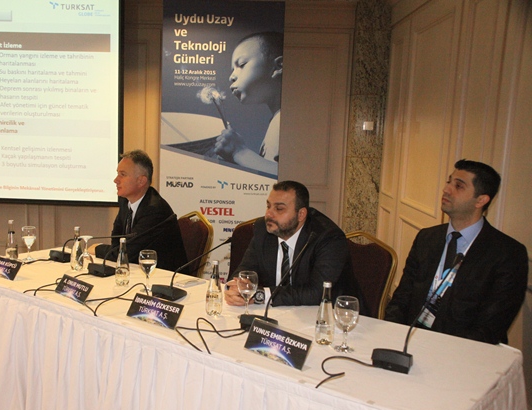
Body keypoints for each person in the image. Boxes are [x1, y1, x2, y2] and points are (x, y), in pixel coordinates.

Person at [384, 159, 528, 344]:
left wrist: (440, 350)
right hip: (411, 339)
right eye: (448, 182)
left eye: (458, 186)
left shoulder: (507, 254)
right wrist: (392, 336)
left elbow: (490, 327)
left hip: (463, 349)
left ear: (481, 200)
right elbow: (401, 299)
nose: (446, 189)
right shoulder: (427, 238)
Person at [224, 180, 365, 310]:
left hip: (332, 316)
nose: (269, 214)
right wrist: (238, 287)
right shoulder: (263, 229)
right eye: (268, 206)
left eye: (279, 209)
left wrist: (260, 294)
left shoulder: (328, 237)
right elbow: (244, 271)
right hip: (278, 313)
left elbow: (317, 293)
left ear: (301, 214)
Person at [94, 150, 188, 271]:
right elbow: (117, 240)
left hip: (165, 277)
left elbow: (127, 253)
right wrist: (113, 251)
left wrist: (97, 248)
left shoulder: (154, 210)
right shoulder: (125, 202)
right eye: (117, 173)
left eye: (122, 174)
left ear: (141, 181)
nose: (116, 180)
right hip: (138, 271)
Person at [214, 32, 283, 177]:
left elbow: (286, 176)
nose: (231, 76)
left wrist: (240, 152)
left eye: (241, 65)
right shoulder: (276, 120)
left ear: (278, 66)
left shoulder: (290, 122)